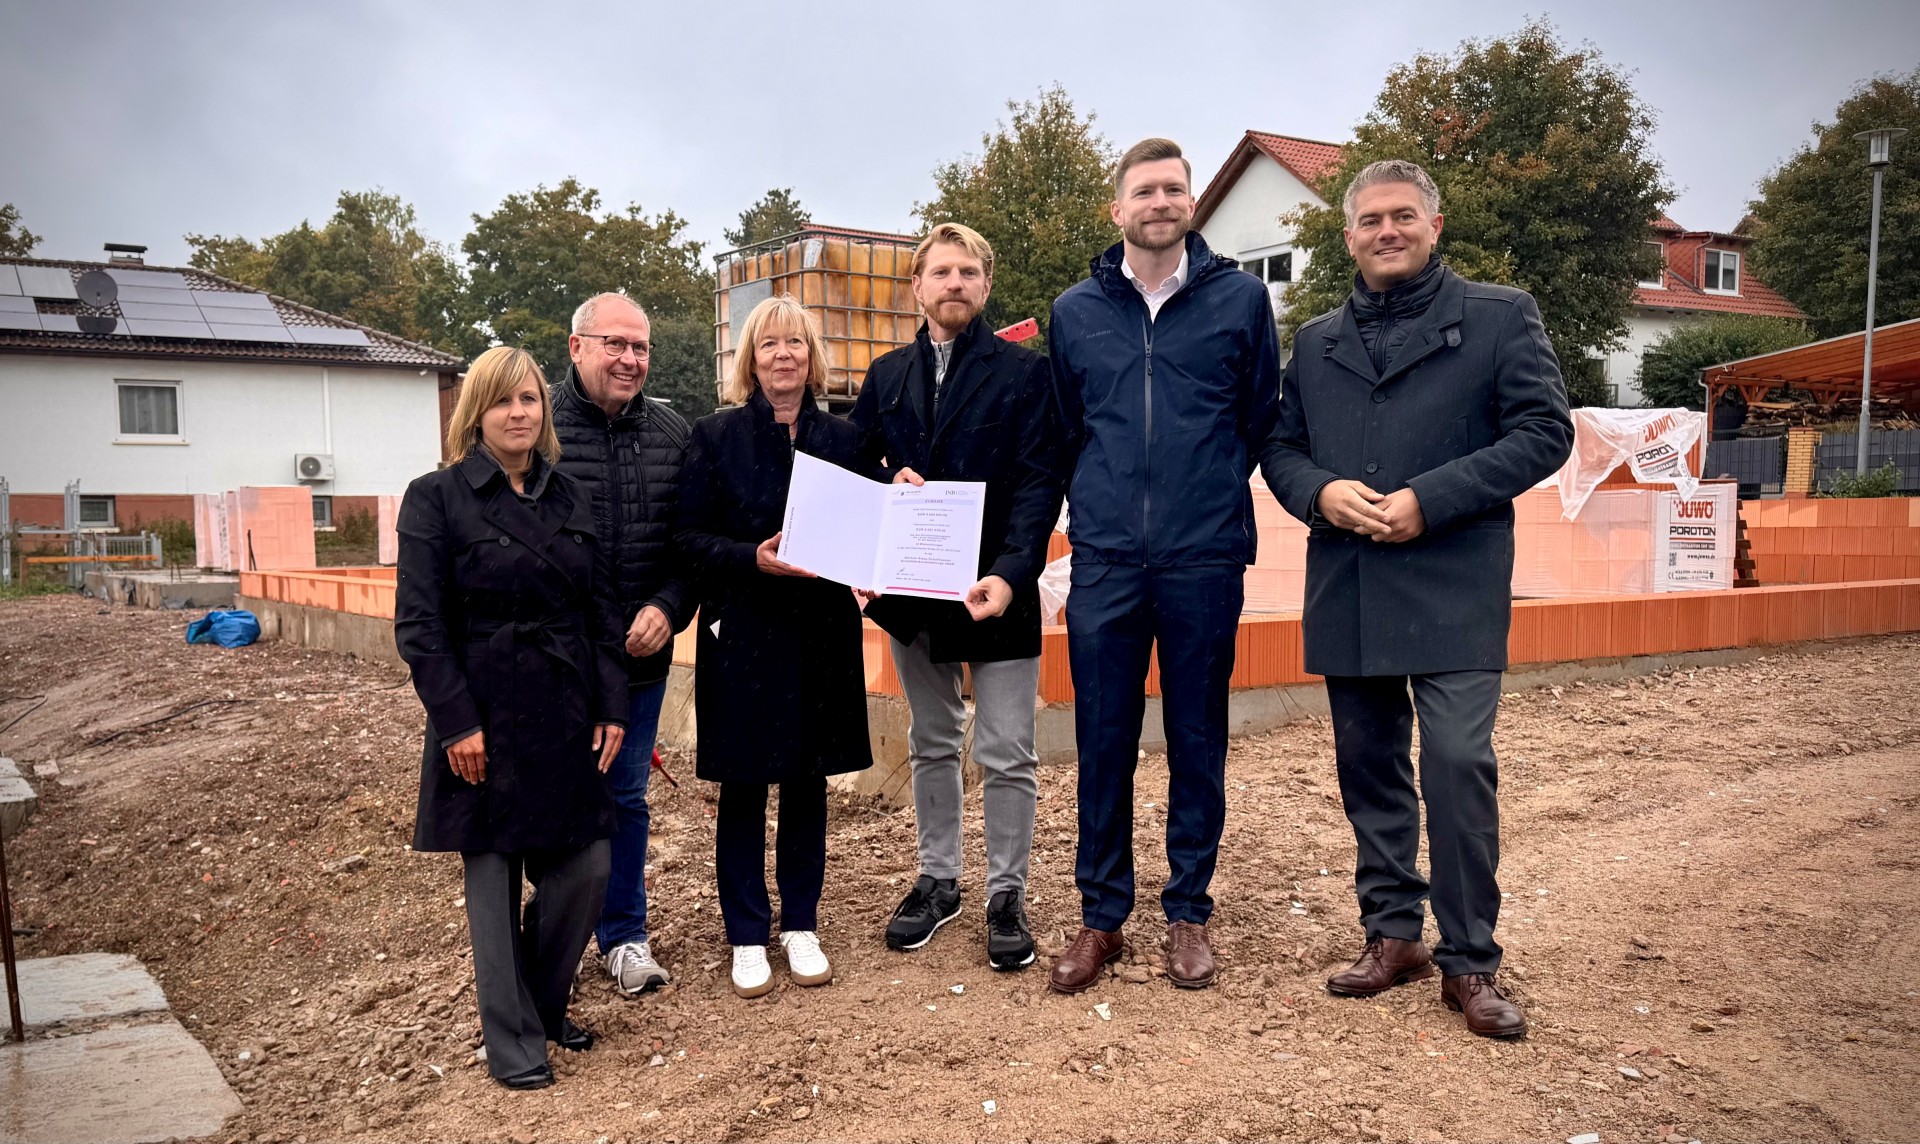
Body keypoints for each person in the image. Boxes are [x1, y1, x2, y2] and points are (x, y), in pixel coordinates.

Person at [1259, 159, 1574, 1038]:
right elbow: (1280, 448)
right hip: (1351, 582)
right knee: (1368, 767)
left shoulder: (1500, 315)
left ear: (1435, 226)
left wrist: (1431, 499)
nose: (1386, 231)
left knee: (1458, 764)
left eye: (1403, 216)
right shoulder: (1317, 340)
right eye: (1370, 220)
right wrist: (1320, 492)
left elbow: (1545, 432)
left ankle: (1470, 960)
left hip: (1454, 581)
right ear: (1348, 236)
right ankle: (1393, 933)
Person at [1045, 138, 1282, 994]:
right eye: (1144, 190)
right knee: (1102, 740)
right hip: (1106, 562)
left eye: (1174, 189)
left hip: (1203, 559)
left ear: (1191, 203)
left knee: (1197, 737)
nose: (1160, 201)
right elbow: (1068, 429)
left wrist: (1204, 493)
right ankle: (1101, 918)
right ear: (1118, 209)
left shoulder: (1241, 300)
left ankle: (1188, 912)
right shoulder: (1075, 311)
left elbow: (1258, 418)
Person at [394, 346, 629, 1089]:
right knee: (493, 886)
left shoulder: (571, 496)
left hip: (566, 708)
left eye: (529, 399)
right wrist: (457, 723)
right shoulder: (435, 497)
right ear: (477, 412)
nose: (518, 413)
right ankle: (514, 1044)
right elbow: (420, 626)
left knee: (587, 869)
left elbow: (601, 613)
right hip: (483, 714)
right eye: (502, 400)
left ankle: (542, 1006)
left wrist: (613, 705)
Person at [847, 223, 1063, 971]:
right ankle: (938, 881)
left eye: (969, 272)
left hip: (997, 587)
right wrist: (886, 482)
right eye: (941, 271)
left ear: (986, 284)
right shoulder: (885, 374)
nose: (955, 283)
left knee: (1007, 750)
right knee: (932, 738)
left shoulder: (1025, 373)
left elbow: (1040, 481)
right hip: (914, 593)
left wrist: (1012, 573)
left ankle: (1007, 894)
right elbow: (854, 463)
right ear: (917, 286)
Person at [673, 294, 875, 998]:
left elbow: (870, 524)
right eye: (769, 344)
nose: (783, 354)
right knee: (744, 786)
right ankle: (746, 933)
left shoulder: (846, 440)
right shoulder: (715, 437)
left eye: (796, 342)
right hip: (745, 632)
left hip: (820, 633)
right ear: (750, 360)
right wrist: (750, 558)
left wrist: (894, 516)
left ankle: (802, 924)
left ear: (812, 357)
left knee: (807, 782)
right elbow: (687, 539)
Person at [550, 291, 694, 996]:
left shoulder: (673, 434)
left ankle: (625, 935)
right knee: (553, 797)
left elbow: (691, 545)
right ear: (576, 347)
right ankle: (554, 940)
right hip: (553, 662)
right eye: (616, 344)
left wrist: (669, 605)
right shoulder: (535, 427)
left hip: (640, 660)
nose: (630, 359)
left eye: (640, 347)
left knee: (627, 796)